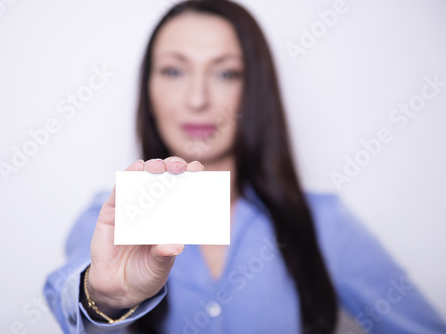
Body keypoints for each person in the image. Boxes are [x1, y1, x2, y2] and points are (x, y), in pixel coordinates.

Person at [43, 1, 446, 333]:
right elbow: (66, 290)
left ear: (255, 90)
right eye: (173, 70)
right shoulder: (109, 216)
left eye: (226, 72)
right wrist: (107, 295)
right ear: (148, 91)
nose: (198, 98)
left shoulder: (324, 222)